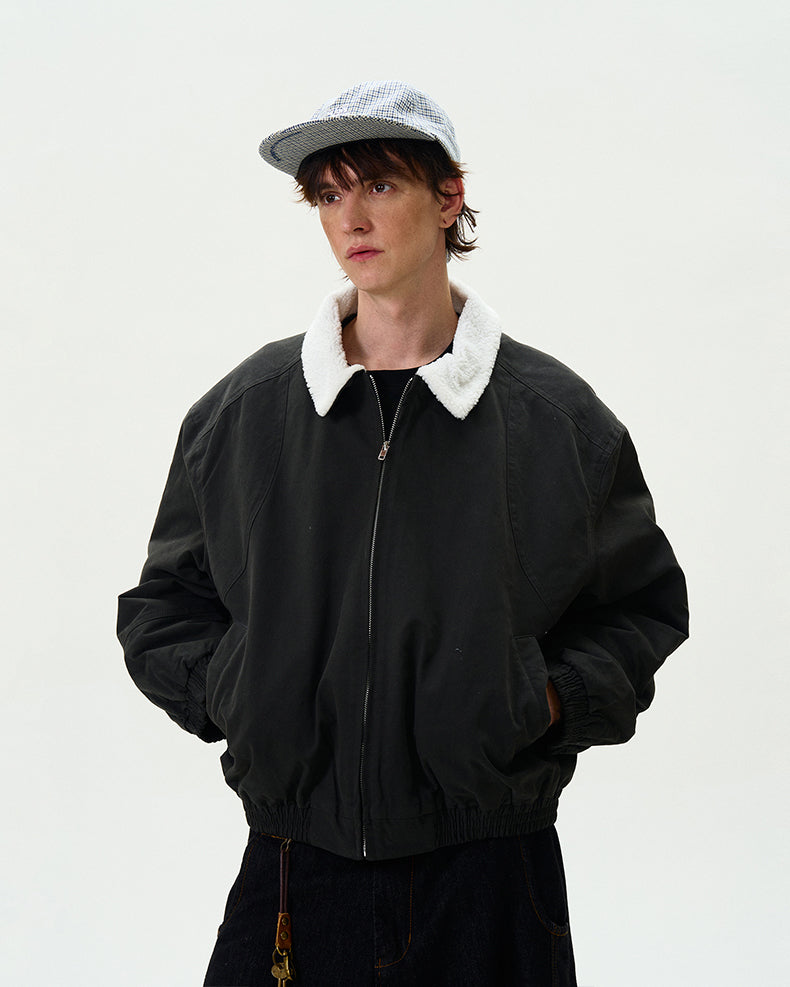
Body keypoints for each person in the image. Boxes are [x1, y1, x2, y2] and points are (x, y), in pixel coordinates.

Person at [117, 81, 689, 986]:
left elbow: (641, 609)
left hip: (490, 872)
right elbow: (162, 608)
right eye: (328, 193)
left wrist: (537, 702)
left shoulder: (556, 420)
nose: (351, 218)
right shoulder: (245, 413)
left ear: (448, 196)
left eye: (379, 185)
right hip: (294, 868)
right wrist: (245, 690)